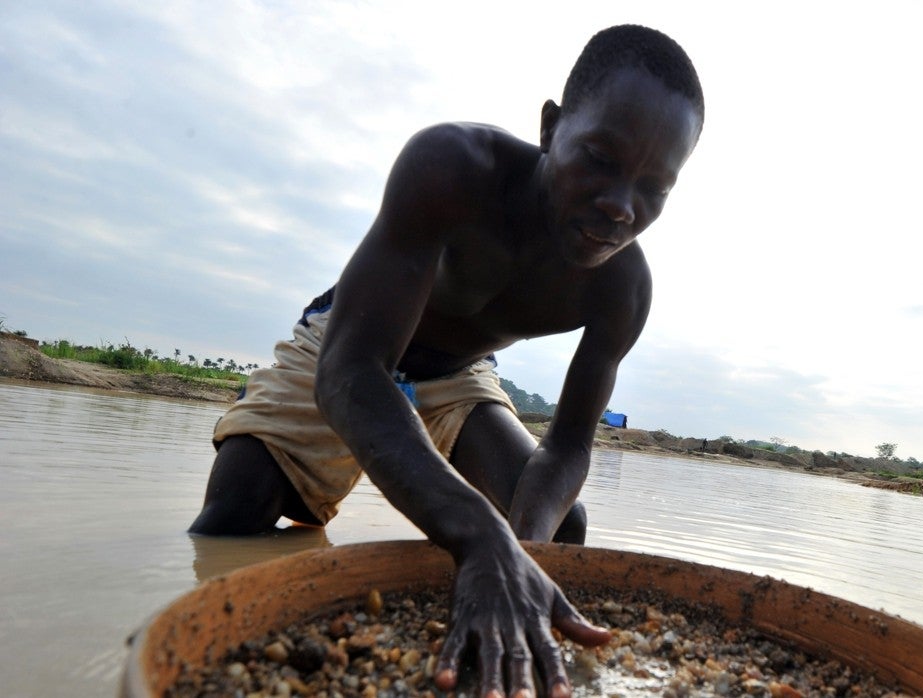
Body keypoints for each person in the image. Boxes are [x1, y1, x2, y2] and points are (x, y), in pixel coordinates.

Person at [189, 24, 704, 698]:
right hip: (352, 343)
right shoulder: (453, 168)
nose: (620, 206)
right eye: (601, 158)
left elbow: (569, 445)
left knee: (561, 526)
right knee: (234, 512)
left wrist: (515, 550)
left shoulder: (623, 288)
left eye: (654, 188)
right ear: (552, 128)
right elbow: (350, 373)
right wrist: (477, 534)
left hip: (461, 373)